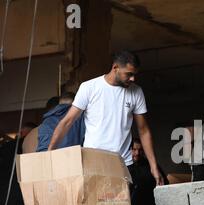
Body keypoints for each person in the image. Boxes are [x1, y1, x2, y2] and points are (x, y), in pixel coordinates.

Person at [48, 51, 164, 185]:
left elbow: (143, 130)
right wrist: (50, 153)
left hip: (123, 164)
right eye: (129, 74)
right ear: (115, 68)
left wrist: (153, 166)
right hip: (94, 162)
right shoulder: (89, 88)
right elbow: (67, 122)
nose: (133, 79)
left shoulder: (136, 92)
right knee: (95, 204)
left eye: (134, 75)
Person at [128, 138, 168, 205]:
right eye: (134, 150)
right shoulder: (124, 166)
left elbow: (165, 184)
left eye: (140, 150)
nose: (137, 153)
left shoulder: (152, 166)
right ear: (129, 150)